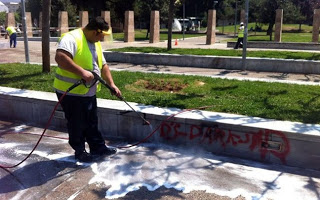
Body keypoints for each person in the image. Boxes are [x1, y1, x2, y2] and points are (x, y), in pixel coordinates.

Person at [53, 16, 121, 162]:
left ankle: (98, 147)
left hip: (88, 92)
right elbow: (60, 57)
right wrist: (82, 73)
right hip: (70, 92)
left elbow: (103, 65)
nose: (102, 39)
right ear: (95, 32)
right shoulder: (71, 38)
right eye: (101, 36)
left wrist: (112, 84)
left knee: (91, 121)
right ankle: (80, 151)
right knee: (77, 123)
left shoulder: (94, 42)